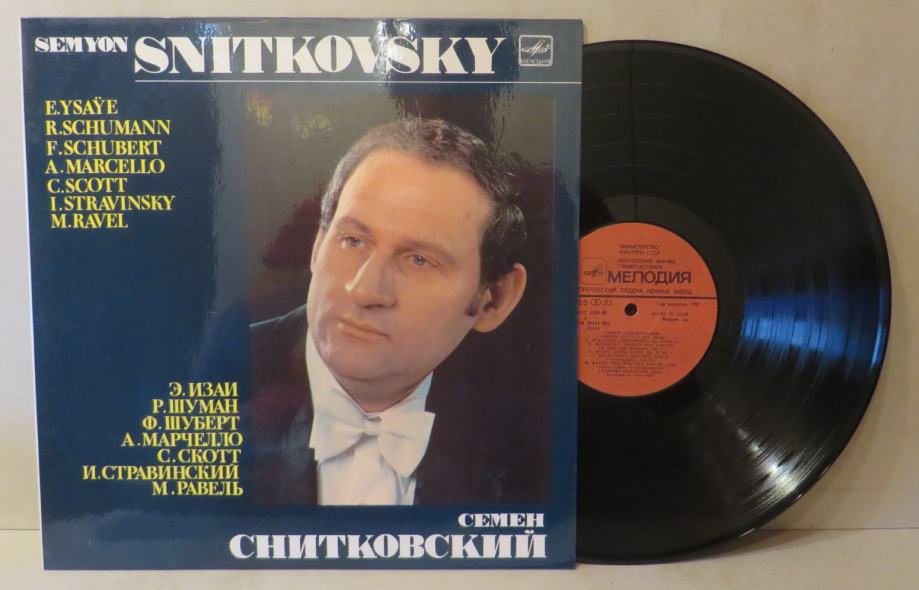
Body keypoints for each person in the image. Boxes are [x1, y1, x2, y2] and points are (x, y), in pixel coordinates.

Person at [249, 117, 536, 506]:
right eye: (353, 240)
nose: (364, 290)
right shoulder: (216, 379)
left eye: (419, 260)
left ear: (494, 300)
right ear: (318, 244)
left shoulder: (534, 439)